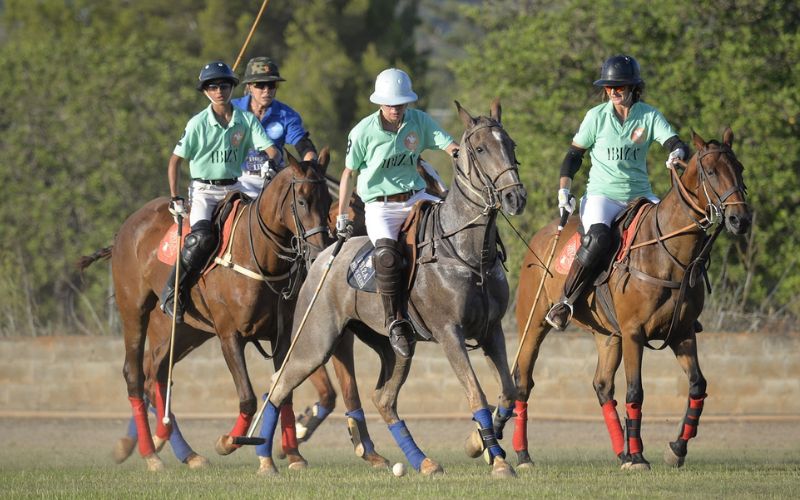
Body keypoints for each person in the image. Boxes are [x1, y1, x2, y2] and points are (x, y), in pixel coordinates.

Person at [544, 54, 689, 331]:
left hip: (641, 196)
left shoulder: (649, 115)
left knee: (678, 231)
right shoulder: (595, 117)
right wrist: (564, 191)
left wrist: (677, 152)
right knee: (597, 238)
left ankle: (684, 306)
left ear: (634, 88)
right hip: (603, 197)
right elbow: (573, 156)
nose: (613, 92)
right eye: (609, 87)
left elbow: (674, 142)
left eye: (619, 87)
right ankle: (566, 301)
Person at [336, 68, 459, 358]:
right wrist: (342, 215)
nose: (396, 109)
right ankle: (395, 323)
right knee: (387, 256)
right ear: (380, 103)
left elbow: (449, 146)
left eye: (401, 103)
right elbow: (348, 174)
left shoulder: (419, 121)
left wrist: (466, 155)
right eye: (391, 104)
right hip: (381, 206)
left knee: (455, 228)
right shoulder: (363, 131)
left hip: (416, 196)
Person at [161, 61, 281, 322]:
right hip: (204, 190)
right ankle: (173, 290)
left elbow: (272, 149)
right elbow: (174, 161)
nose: (219, 91)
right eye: (213, 87)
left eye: (224, 85)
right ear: (205, 91)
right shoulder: (197, 123)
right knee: (200, 239)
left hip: (234, 187)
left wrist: (271, 163)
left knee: (256, 228)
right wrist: (174, 197)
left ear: (232, 88)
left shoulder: (246, 120)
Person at [231, 57, 317, 198]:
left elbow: (303, 145)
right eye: (260, 85)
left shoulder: (287, 115)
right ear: (249, 86)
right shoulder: (232, 109)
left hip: (274, 180)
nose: (267, 91)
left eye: (271, 85)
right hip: (237, 179)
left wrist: (311, 166)